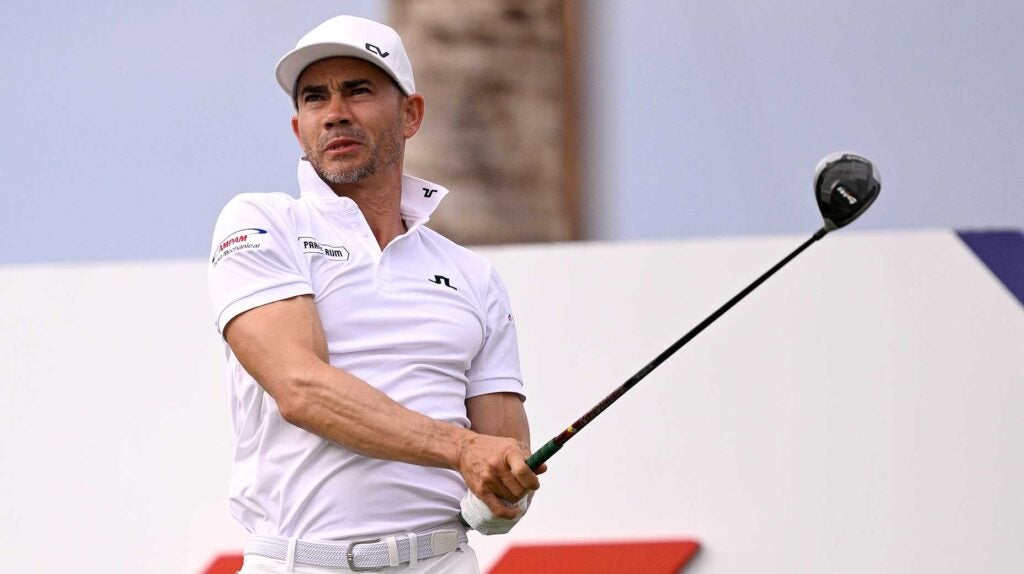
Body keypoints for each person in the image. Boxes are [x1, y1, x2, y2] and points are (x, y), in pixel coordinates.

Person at [207, 15, 543, 573]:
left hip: (443, 562)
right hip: (300, 562)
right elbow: (302, 390)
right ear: (299, 128)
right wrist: (461, 451)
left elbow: (501, 458)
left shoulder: (473, 276)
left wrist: (505, 492)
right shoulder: (261, 222)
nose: (335, 112)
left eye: (358, 90)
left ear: (410, 114)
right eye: (315, 98)